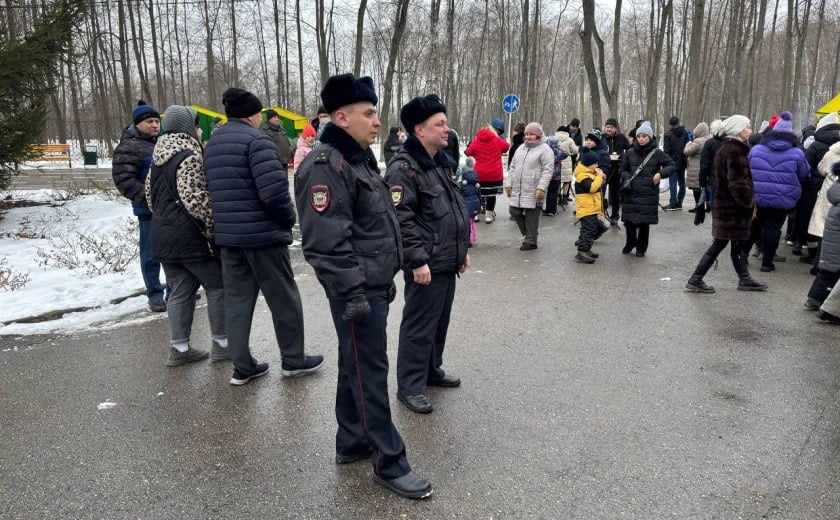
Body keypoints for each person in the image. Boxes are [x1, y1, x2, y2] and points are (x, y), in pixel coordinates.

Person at [295, 73, 432, 500]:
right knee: (370, 372)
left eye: (375, 113)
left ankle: (351, 441)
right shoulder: (325, 164)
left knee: (354, 363)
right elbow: (325, 242)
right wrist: (354, 293)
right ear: (341, 116)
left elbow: (373, 225)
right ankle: (389, 462)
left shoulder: (355, 160)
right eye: (368, 114)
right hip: (356, 292)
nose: (377, 122)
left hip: (369, 286)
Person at [204, 87, 324, 386]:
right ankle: (293, 360)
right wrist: (288, 220)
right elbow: (273, 192)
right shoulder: (258, 141)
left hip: (230, 239)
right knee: (283, 299)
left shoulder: (213, 143)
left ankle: (242, 366)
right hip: (264, 237)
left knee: (237, 302)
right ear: (252, 115)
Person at [385, 94, 470, 415]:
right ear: (420, 130)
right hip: (426, 263)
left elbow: (451, 210)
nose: (447, 129)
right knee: (419, 325)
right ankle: (409, 385)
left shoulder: (437, 163)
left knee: (439, 321)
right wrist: (417, 260)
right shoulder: (404, 168)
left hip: (446, 259)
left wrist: (461, 251)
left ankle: (431, 370)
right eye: (440, 124)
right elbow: (401, 219)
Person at [145, 105, 228, 367]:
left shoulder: (156, 157)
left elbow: (149, 198)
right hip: (189, 237)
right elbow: (195, 199)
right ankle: (223, 344)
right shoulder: (189, 155)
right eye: (196, 124)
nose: (200, 129)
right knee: (218, 286)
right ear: (186, 127)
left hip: (162, 235)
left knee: (180, 291)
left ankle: (179, 349)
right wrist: (215, 221)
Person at [685, 115, 767, 293]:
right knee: (721, 243)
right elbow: (737, 184)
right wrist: (748, 203)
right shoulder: (734, 151)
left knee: (735, 243)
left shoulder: (728, 148)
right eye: (747, 127)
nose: (750, 131)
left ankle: (744, 279)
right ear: (738, 130)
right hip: (732, 208)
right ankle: (696, 278)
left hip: (726, 206)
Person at [112, 100, 166, 312]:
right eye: (150, 121)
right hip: (147, 210)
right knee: (151, 255)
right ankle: (154, 294)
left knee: (173, 252)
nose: (155, 125)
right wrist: (149, 197)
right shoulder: (128, 147)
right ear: (138, 123)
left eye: (157, 121)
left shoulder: (162, 142)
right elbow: (124, 180)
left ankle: (175, 290)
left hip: (170, 209)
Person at [746, 111, 810, 272]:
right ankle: (767, 263)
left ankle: (742, 255)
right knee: (773, 228)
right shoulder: (797, 153)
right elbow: (804, 174)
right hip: (784, 198)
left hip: (758, 195)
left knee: (755, 225)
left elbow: (747, 169)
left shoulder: (757, 149)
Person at [619, 121, 675, 257]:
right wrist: (628, 178)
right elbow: (623, 169)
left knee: (644, 222)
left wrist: (660, 174)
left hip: (648, 192)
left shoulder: (657, 153)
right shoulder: (630, 152)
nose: (641, 139)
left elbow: (671, 165)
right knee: (629, 221)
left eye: (644, 136)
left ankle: (641, 248)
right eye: (639, 136)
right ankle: (630, 242)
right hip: (631, 191)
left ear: (650, 137)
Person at [504, 122, 554, 250]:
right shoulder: (521, 148)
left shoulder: (545, 150)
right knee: (514, 211)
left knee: (532, 215)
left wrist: (541, 188)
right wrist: (509, 184)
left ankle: (531, 241)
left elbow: (547, 171)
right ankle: (530, 234)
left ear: (538, 135)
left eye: (531, 134)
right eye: (526, 134)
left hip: (535, 189)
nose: (528, 137)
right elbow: (512, 167)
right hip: (519, 188)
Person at [805, 164, 840, 311]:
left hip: (833, 237)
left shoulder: (837, 189)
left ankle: (814, 298)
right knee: (833, 272)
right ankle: (824, 304)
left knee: (827, 270)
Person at [465, 121, 510, 223]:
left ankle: (476, 215)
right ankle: (488, 216)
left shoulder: (477, 141)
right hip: (494, 175)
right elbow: (507, 147)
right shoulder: (497, 140)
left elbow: (468, 152)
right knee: (491, 195)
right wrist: (496, 136)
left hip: (479, 174)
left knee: (477, 194)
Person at [573, 149, 607, 263]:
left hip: (592, 208)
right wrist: (599, 176)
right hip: (586, 209)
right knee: (588, 230)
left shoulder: (590, 173)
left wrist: (601, 178)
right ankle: (582, 251)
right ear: (588, 164)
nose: (597, 165)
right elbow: (592, 188)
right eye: (595, 164)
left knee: (594, 228)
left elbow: (597, 185)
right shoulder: (582, 176)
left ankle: (586, 249)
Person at [602, 118, 630, 223]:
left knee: (615, 194)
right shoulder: (601, 138)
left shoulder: (621, 137)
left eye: (611, 127)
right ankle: (600, 213)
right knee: (601, 191)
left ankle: (615, 215)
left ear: (616, 128)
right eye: (607, 127)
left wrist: (622, 156)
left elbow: (629, 150)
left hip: (617, 168)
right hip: (604, 168)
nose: (609, 129)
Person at [684, 122, 711, 212]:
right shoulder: (710, 139)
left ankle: (698, 206)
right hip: (707, 166)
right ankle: (708, 205)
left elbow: (687, 152)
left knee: (696, 187)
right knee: (706, 187)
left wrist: (688, 144)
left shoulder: (698, 141)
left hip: (696, 167)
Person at [663, 116, 689, 211]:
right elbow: (687, 145)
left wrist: (665, 161)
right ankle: (679, 202)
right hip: (682, 160)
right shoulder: (685, 132)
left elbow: (667, 150)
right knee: (682, 182)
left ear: (670, 123)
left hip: (671, 161)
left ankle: (673, 203)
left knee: (672, 182)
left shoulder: (668, 134)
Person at [544, 135, 569, 216]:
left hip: (548, 175)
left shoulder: (547, 151)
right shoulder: (560, 151)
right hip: (557, 176)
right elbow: (566, 154)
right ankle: (552, 210)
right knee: (554, 193)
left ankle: (548, 209)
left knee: (548, 193)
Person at [554, 125, 579, 204]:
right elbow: (575, 151)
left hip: (556, 162)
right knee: (567, 181)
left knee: (557, 180)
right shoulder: (569, 140)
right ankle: (564, 198)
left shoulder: (554, 139)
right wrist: (570, 153)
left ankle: (558, 197)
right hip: (566, 161)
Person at [460, 157, 481, 246]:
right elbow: (479, 195)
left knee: (467, 224)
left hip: (466, 206)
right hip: (475, 205)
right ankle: (473, 239)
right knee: (472, 223)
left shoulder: (462, 185)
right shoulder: (476, 183)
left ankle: (469, 241)